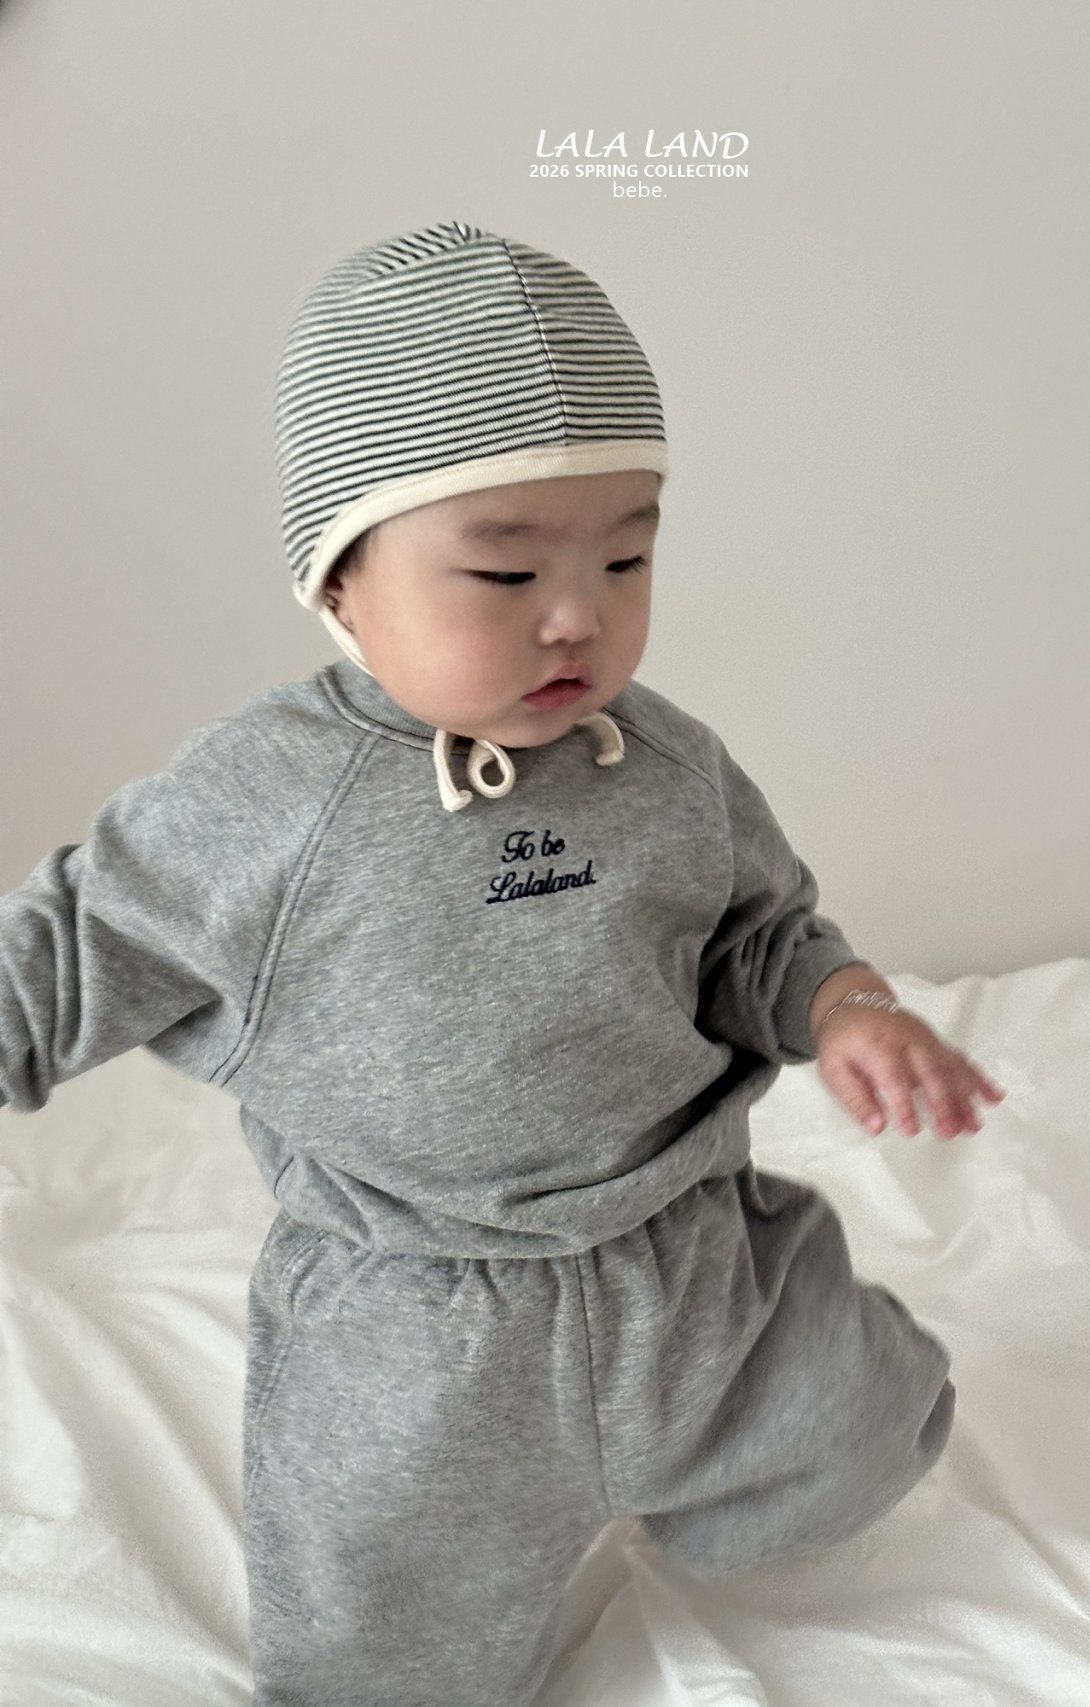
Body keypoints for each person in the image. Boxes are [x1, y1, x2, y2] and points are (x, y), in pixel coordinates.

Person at [0, 220, 1005, 1706]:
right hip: (426, 1339)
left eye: (627, 554)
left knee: (865, 1432)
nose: (577, 614)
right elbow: (65, 952)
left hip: (693, 1265)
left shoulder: (666, 765)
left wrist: (846, 1006)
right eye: (503, 568)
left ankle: (704, 1480)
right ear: (339, 581)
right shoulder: (268, 804)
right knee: (384, 1661)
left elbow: (759, 935)